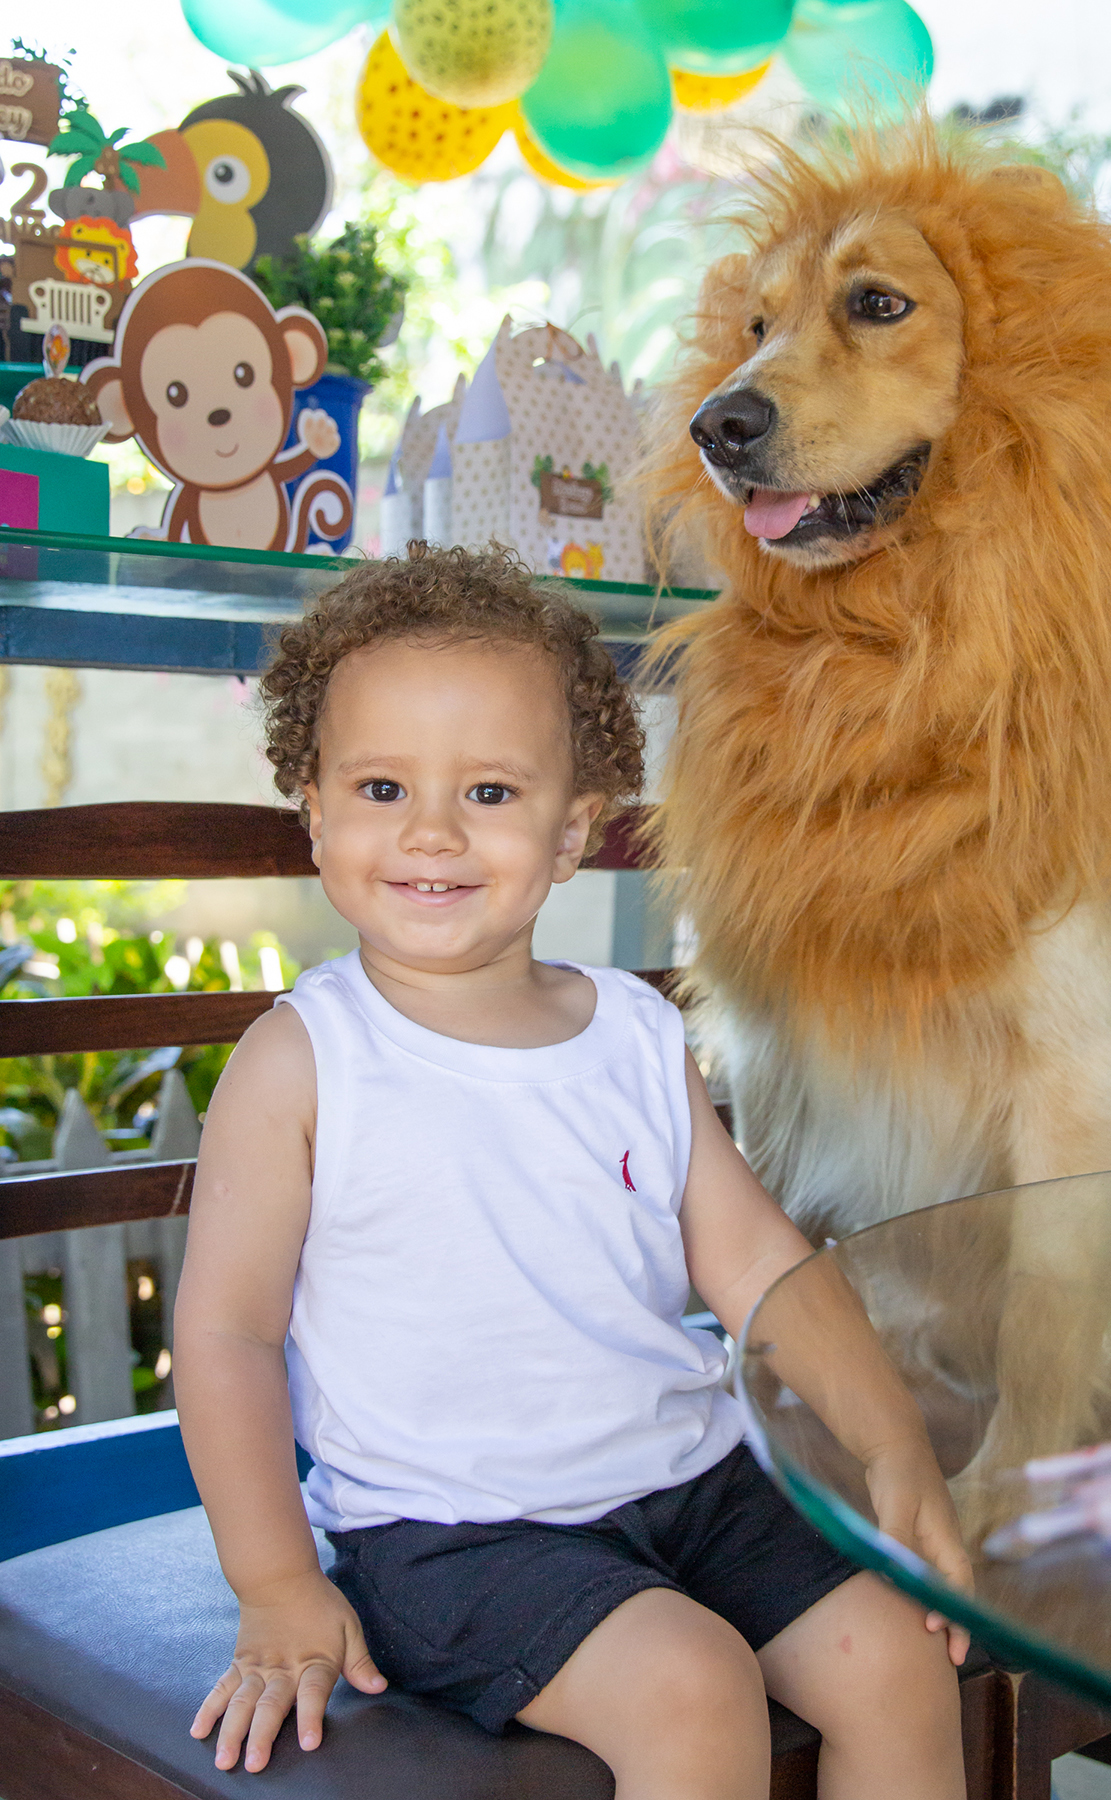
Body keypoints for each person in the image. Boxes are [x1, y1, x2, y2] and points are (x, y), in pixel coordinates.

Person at [173, 542, 971, 1800]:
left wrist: (892, 1453)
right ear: (315, 812)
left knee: (896, 1662)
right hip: (456, 1534)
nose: (431, 829)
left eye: (490, 792)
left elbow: (762, 1265)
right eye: (382, 785)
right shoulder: (305, 1062)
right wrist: (275, 1581)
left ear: (574, 831)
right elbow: (224, 1333)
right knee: (691, 1687)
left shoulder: (633, 1034)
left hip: (692, 1485)